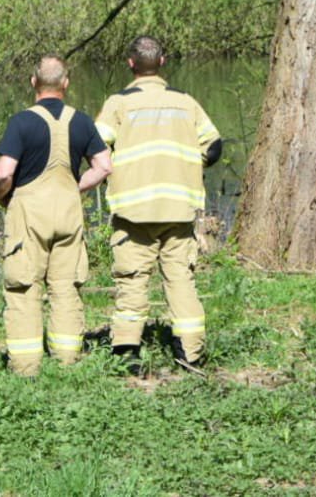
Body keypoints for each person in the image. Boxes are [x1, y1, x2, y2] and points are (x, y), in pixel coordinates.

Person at [94, 36, 222, 370]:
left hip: (133, 210)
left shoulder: (118, 104)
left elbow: (96, 147)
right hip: (179, 208)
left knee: (132, 279)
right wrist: (189, 166)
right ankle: (191, 353)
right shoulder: (186, 102)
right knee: (181, 280)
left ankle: (127, 353)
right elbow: (214, 146)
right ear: (163, 62)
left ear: (130, 63)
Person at [0, 55, 112, 377]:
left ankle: (27, 367)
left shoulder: (21, 122)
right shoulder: (83, 121)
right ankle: (67, 360)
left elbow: (4, 174)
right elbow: (104, 166)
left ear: (33, 82)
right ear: (66, 83)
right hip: (68, 213)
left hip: (30, 215)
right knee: (66, 286)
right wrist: (76, 187)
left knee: (24, 287)